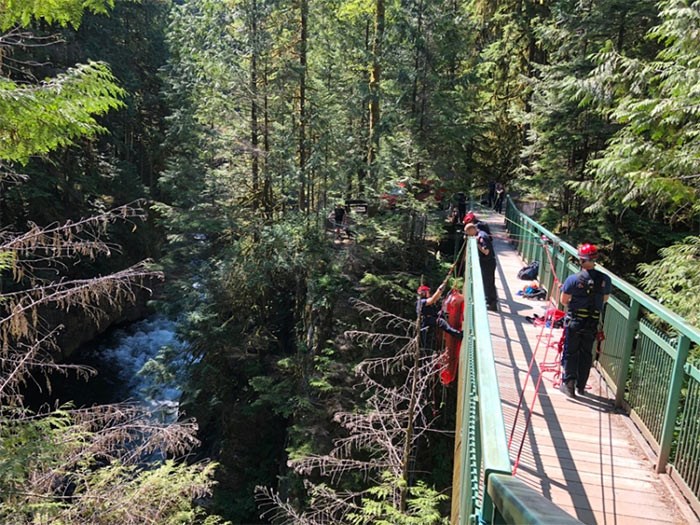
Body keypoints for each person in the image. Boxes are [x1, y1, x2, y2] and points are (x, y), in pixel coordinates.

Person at [559, 243, 612, 398]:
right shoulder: (605, 280)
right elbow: (605, 299)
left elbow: (564, 300)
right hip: (592, 322)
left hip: (575, 321)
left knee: (571, 352)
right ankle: (581, 387)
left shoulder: (573, 280)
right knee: (586, 353)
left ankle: (569, 385)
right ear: (595, 259)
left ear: (580, 260)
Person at [464, 222, 498, 311]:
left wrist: (477, 244)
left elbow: (486, 251)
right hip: (486, 262)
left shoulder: (481, 237)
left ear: (472, 230)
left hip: (488, 263)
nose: (468, 236)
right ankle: (489, 301)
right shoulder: (479, 233)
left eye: (468, 234)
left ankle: (491, 303)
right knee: (487, 282)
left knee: (488, 282)